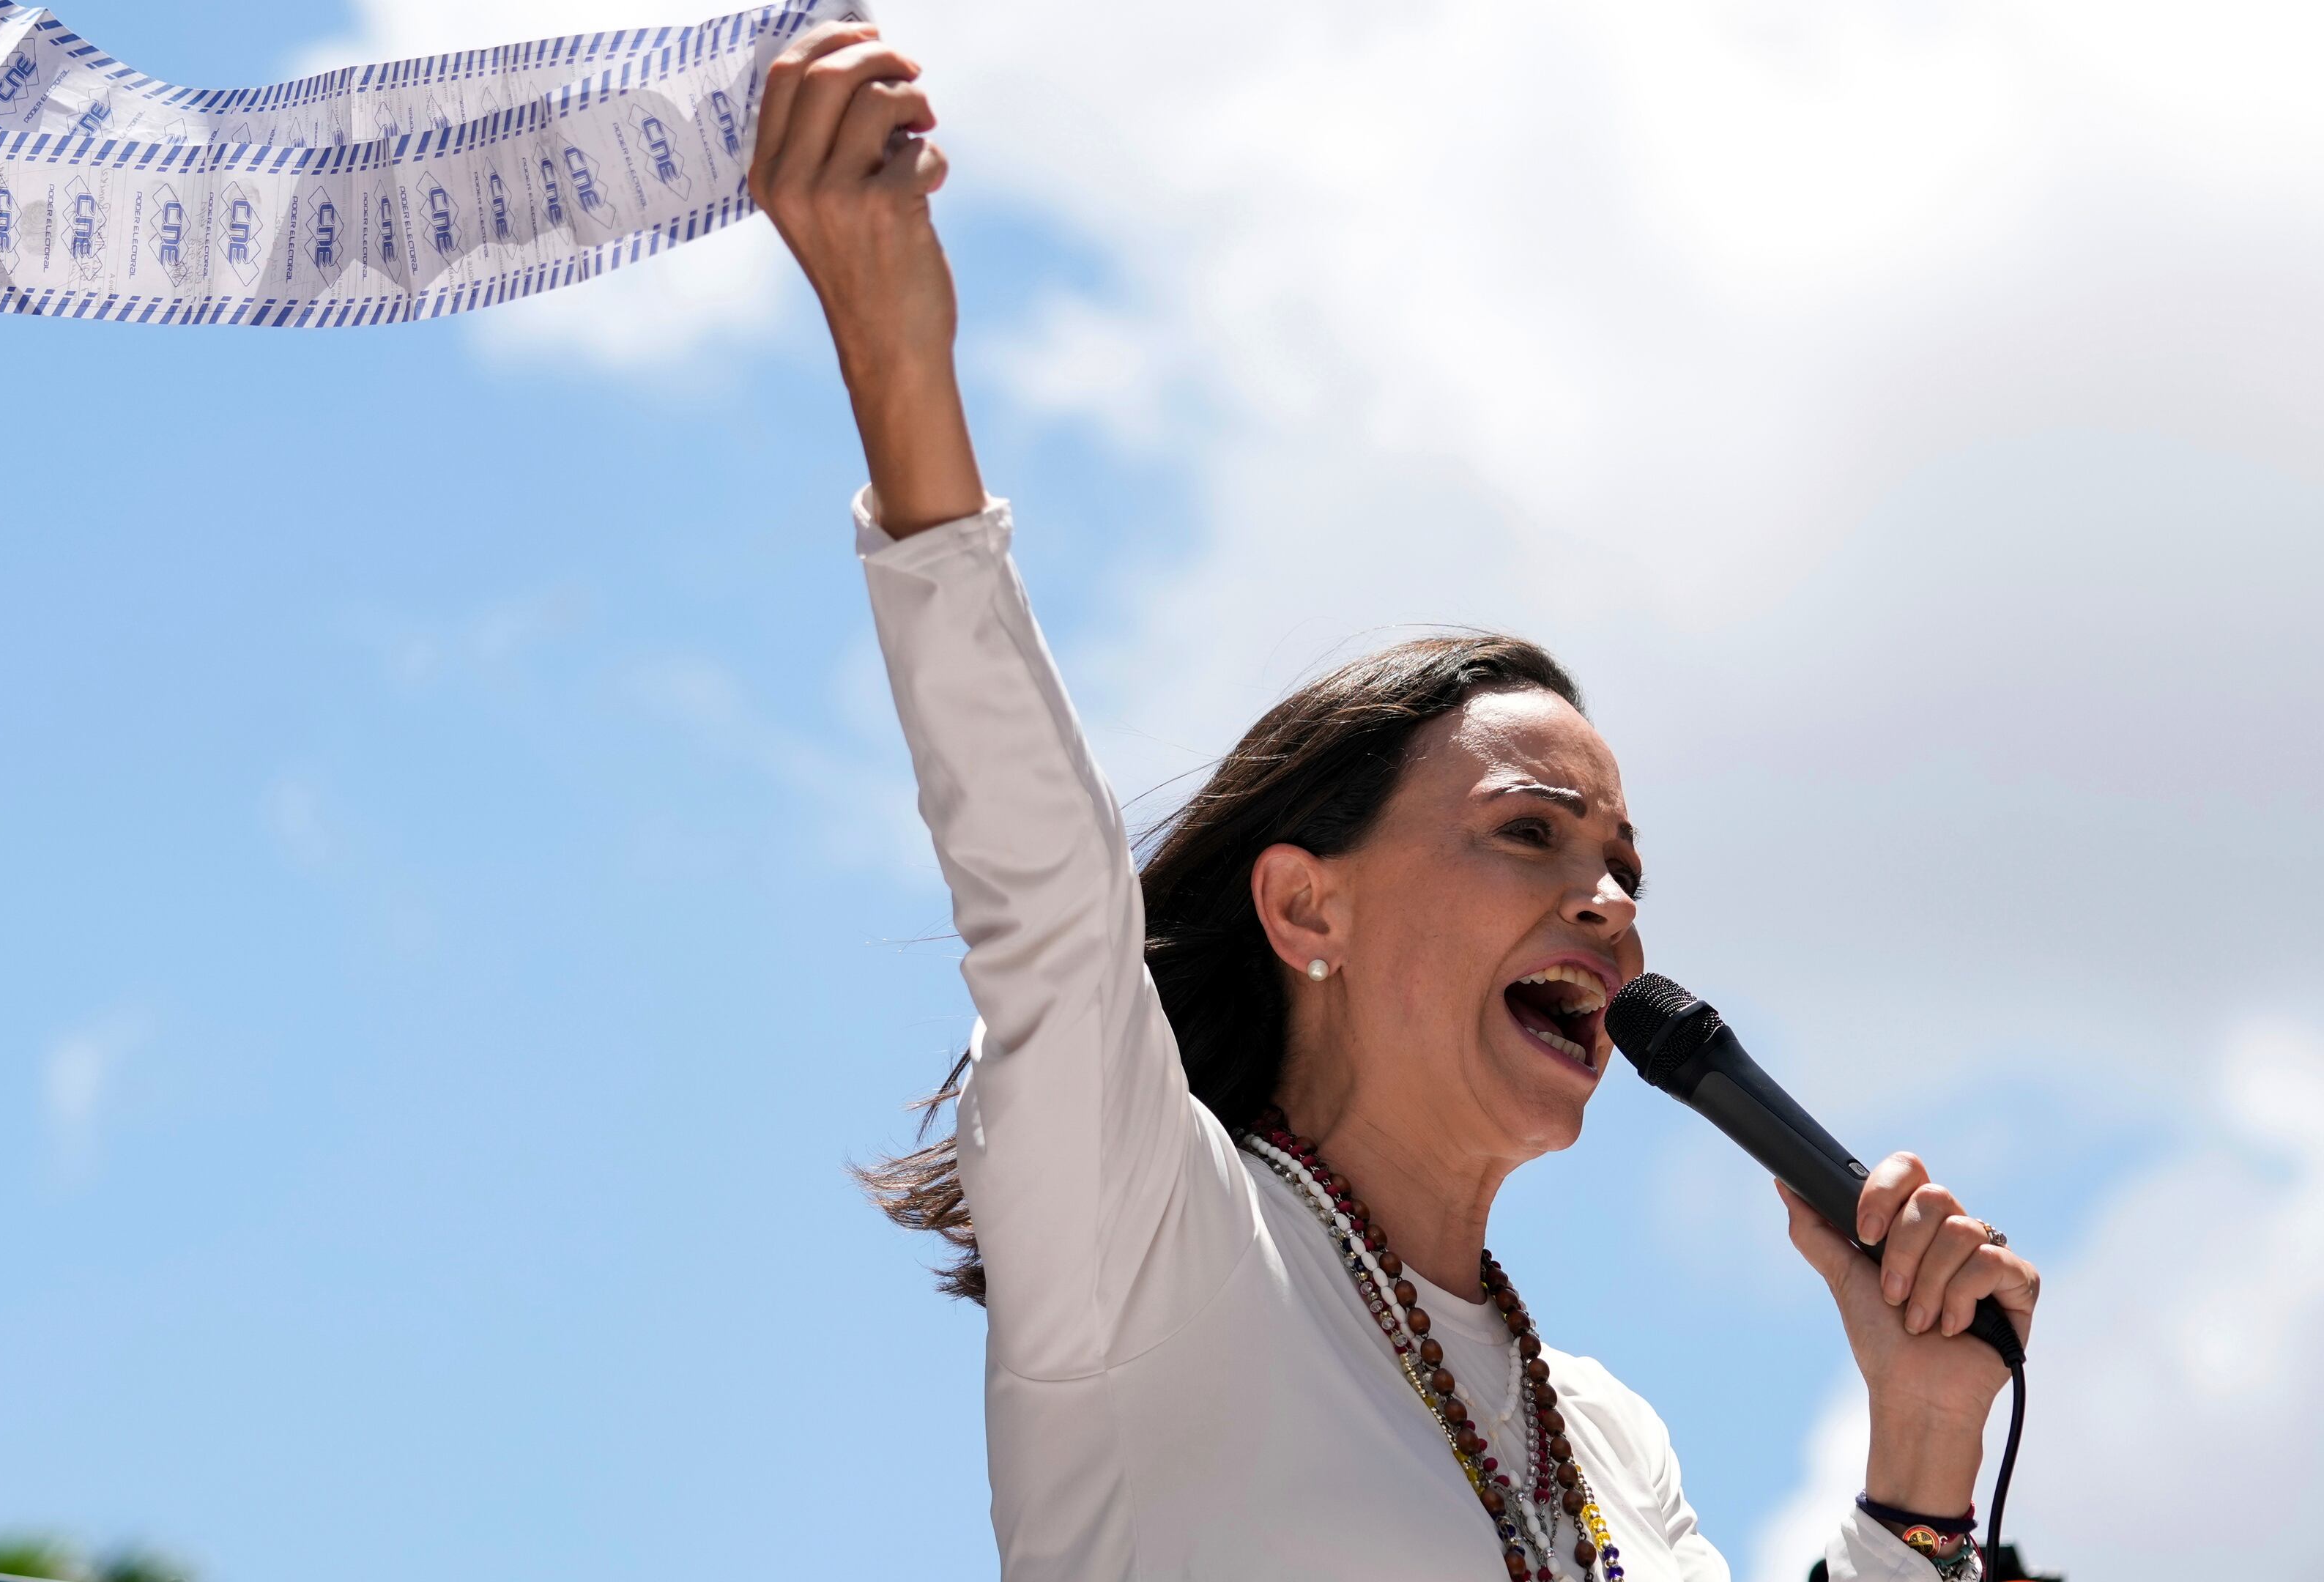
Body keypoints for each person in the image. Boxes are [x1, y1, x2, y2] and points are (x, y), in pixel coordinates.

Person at [746, 21, 2041, 1582]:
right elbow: (1040, 891)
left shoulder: (1605, 1436)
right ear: (1306, 906)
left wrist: (1920, 1455)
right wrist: (897, 356)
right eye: (1528, 831)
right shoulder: (1151, 1240)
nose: (1612, 903)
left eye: (1624, 861)